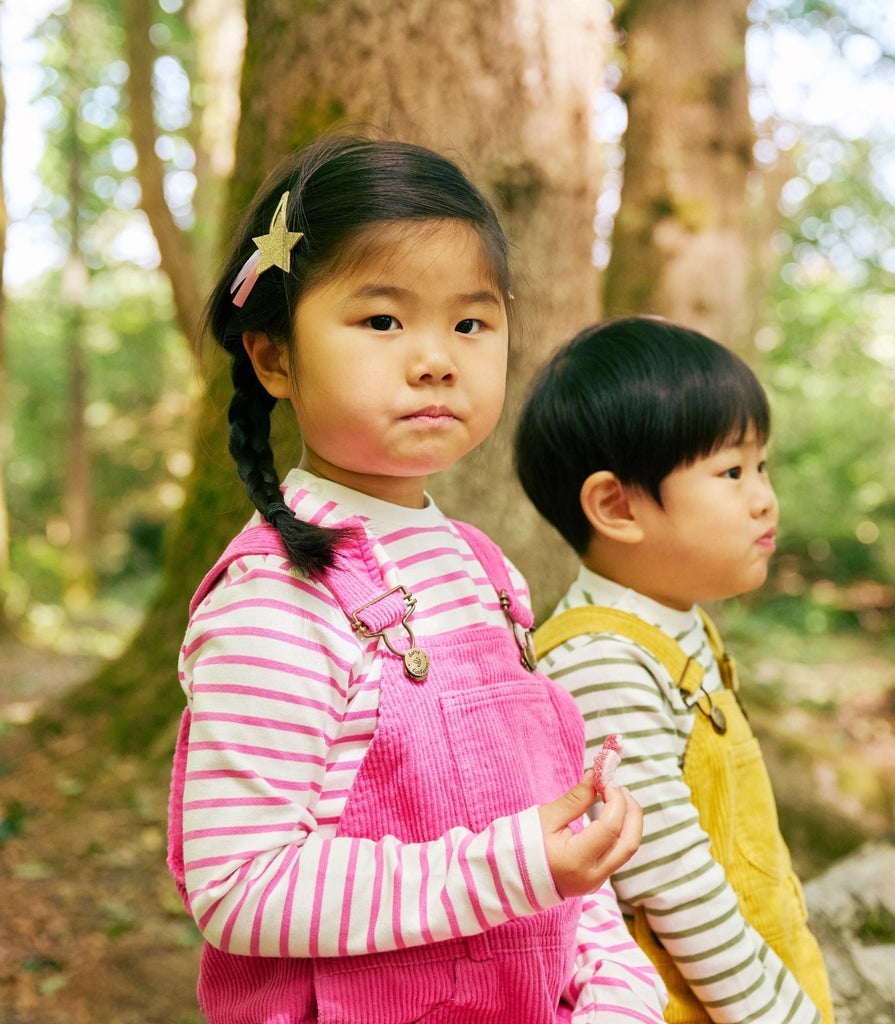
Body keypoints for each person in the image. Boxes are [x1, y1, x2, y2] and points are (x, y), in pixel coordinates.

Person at [167, 134, 668, 1023]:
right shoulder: (275, 601)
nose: (436, 358)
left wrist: (615, 992)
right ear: (274, 357)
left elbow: (552, 834)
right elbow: (239, 882)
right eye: (382, 321)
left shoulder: (485, 570)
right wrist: (511, 867)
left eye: (470, 323)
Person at [514, 316, 835, 1024]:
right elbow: (675, 890)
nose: (763, 497)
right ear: (616, 505)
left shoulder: (674, 628)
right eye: (731, 471)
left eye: (762, 467)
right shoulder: (602, 664)